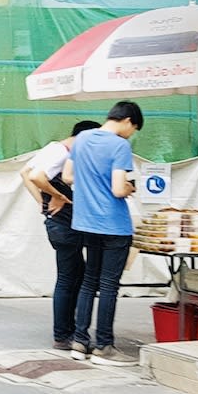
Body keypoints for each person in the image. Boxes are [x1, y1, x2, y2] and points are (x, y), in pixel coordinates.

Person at [62, 101, 143, 366]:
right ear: (128, 121)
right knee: (109, 285)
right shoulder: (120, 146)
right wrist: (129, 188)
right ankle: (104, 345)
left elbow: (67, 176)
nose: (131, 134)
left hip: (86, 222)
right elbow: (119, 189)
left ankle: (79, 341)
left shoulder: (83, 138)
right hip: (113, 224)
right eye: (134, 129)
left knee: (88, 282)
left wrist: (89, 180)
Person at [20, 119, 101, 350]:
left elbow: (25, 173)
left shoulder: (53, 147)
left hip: (58, 223)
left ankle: (67, 331)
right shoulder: (62, 153)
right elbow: (36, 177)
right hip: (65, 225)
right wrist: (58, 196)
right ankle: (64, 334)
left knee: (72, 275)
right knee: (69, 278)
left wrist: (43, 203)